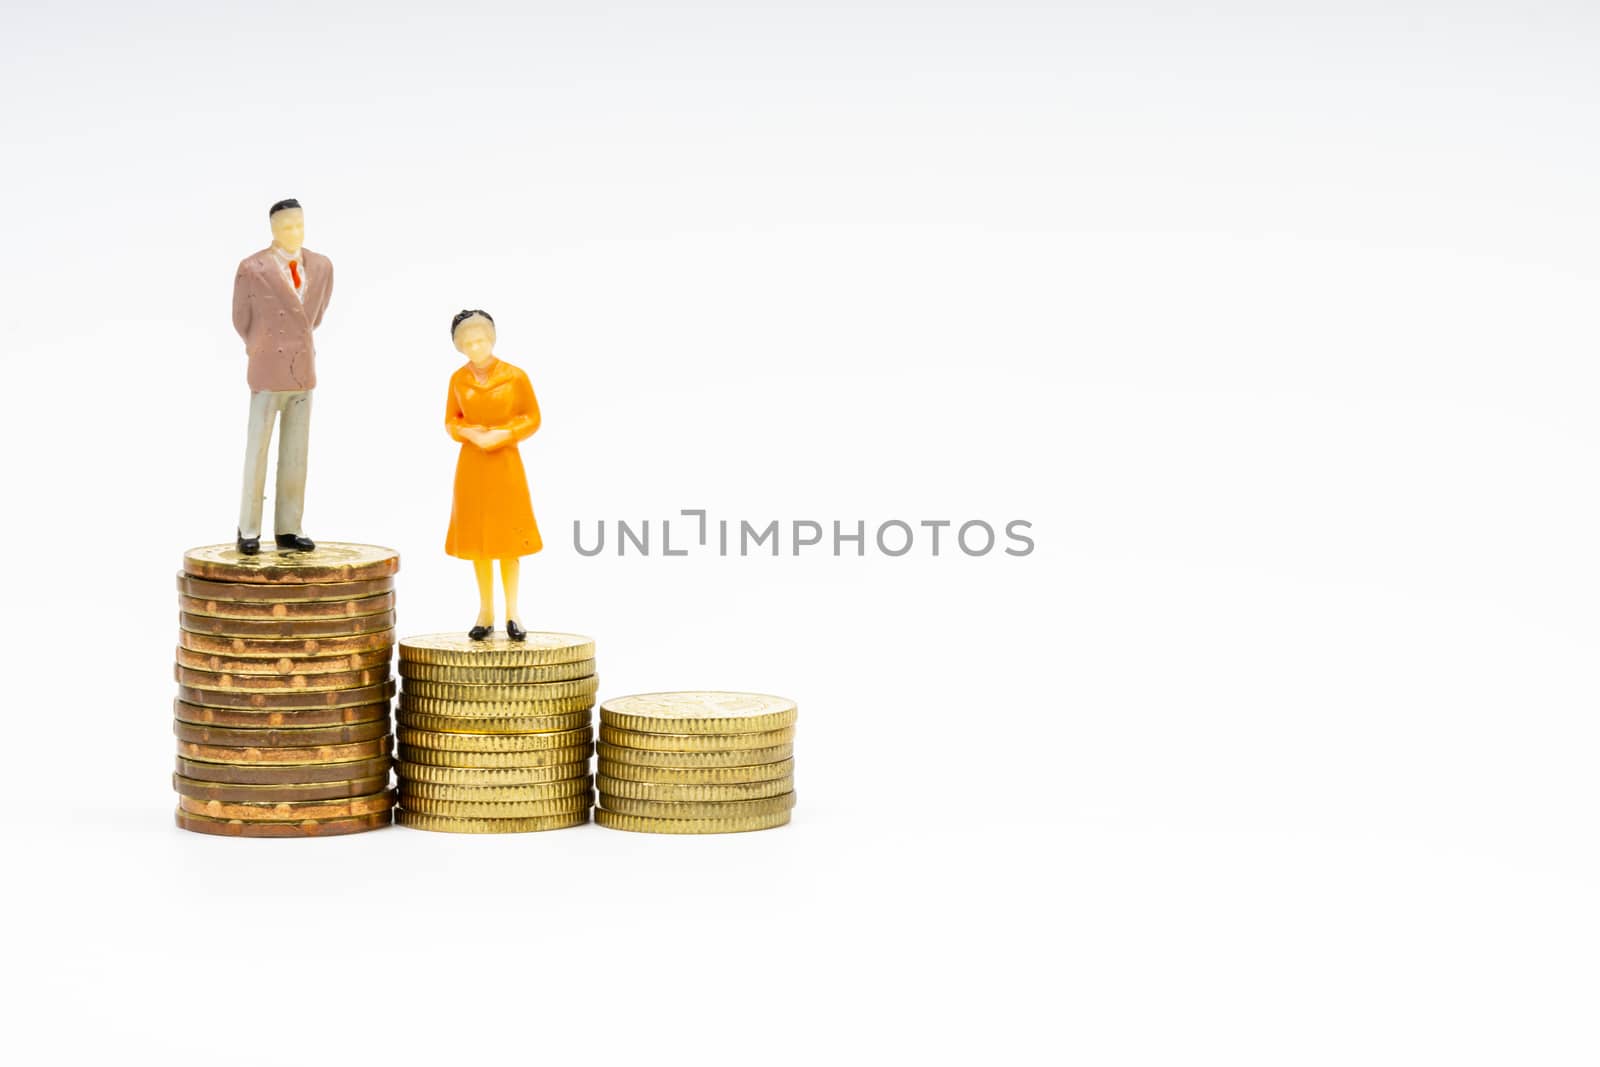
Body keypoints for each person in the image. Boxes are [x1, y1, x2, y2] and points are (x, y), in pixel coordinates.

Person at [230, 198, 333, 555]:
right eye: (287, 226)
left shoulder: (321, 266)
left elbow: (315, 316)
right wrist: (261, 345)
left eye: (299, 225)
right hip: (267, 366)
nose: (295, 232)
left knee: (296, 453)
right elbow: (241, 319)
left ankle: (289, 527)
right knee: (257, 450)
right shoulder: (252, 267)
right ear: (273, 229)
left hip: (303, 368)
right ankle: (249, 528)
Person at [443, 309, 543, 640]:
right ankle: (485, 612)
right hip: (472, 466)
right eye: (468, 343)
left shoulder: (515, 376)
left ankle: (513, 612)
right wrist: (470, 433)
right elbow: (451, 421)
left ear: (492, 339)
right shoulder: (458, 379)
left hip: (505, 464)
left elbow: (532, 417)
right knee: (478, 542)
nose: (475, 348)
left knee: (507, 539)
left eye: (480, 340)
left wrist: (504, 434)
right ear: (459, 346)